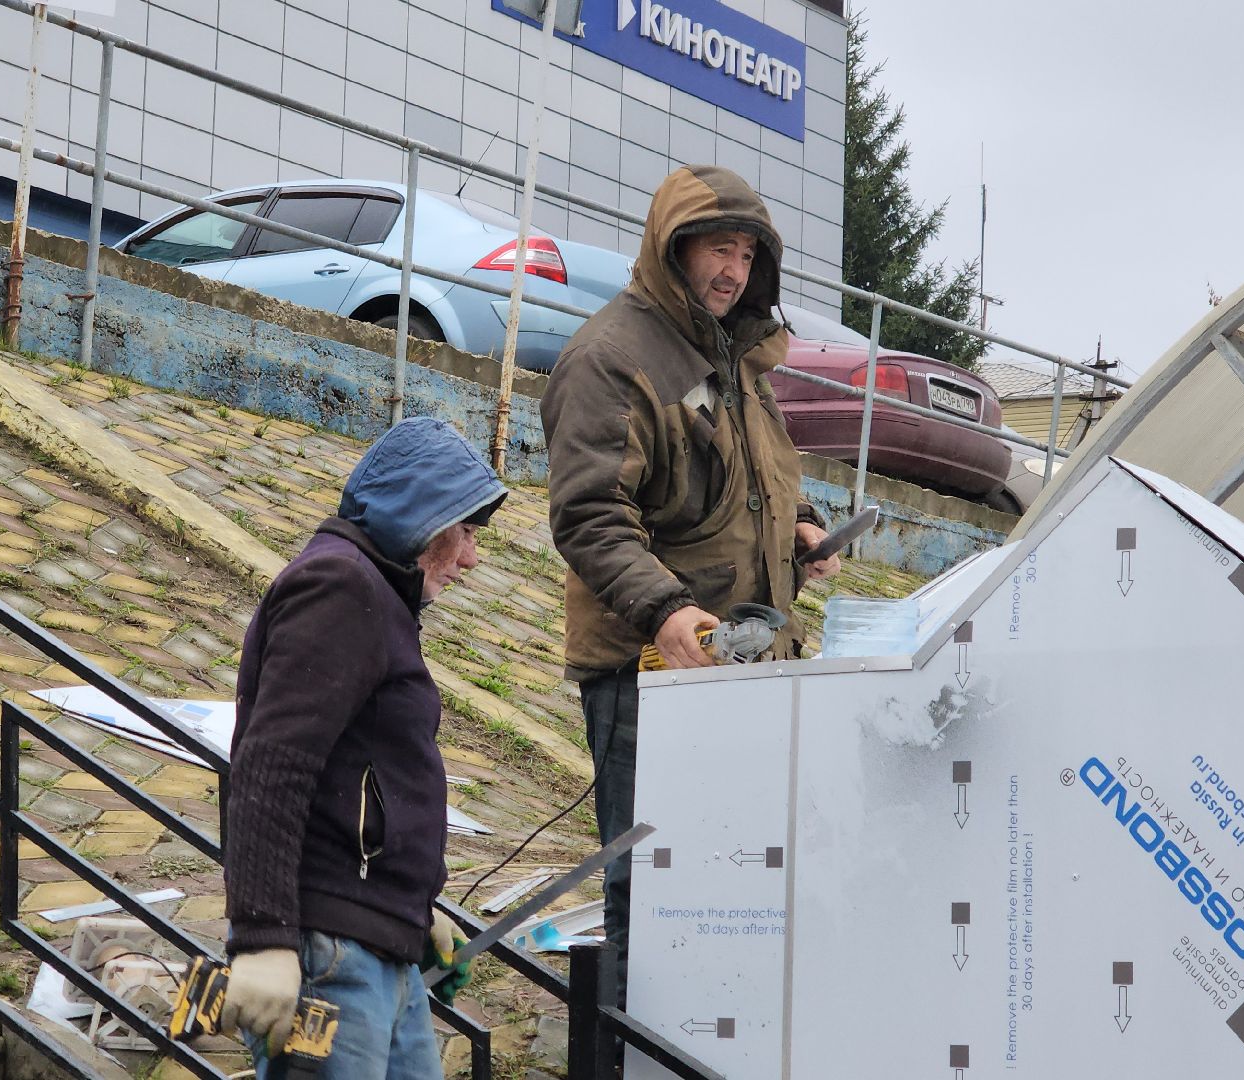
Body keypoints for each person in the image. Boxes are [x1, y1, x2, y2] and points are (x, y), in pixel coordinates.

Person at [539, 164, 842, 1002]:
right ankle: (637, 1054)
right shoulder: (609, 358)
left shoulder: (738, 354)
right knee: (652, 890)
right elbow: (590, 515)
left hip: (750, 663)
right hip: (654, 674)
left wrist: (806, 527)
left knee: (731, 882)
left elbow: (760, 476)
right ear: (671, 249)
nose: (732, 271)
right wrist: (665, 610)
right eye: (717, 249)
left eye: (746, 255)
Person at [219, 416, 506, 1079]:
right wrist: (263, 937)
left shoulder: (371, 594)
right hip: (330, 957)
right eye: (465, 531)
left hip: (373, 950)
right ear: (420, 517)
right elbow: (271, 765)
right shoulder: (342, 588)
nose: (472, 557)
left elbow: (358, 776)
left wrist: (411, 911)